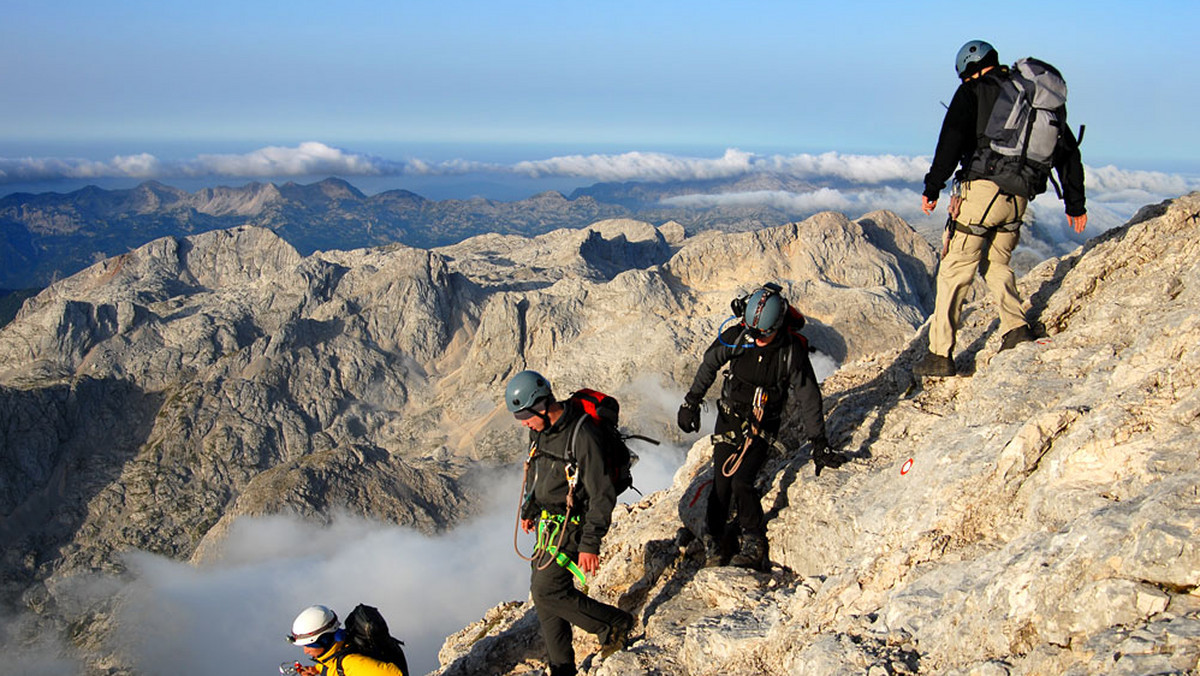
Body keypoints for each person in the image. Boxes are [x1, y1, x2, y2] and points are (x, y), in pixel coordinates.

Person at [915, 39, 1087, 378]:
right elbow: (1067, 151)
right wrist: (1075, 203)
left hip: (981, 193)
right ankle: (1015, 328)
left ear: (968, 69)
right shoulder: (1032, 98)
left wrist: (933, 186)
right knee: (997, 264)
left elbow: (950, 139)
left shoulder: (973, 92)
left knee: (955, 270)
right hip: (1019, 197)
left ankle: (939, 355)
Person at [676, 284, 833, 570]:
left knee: (741, 481)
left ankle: (753, 539)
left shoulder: (790, 353)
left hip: (762, 426)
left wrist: (818, 442)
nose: (757, 338)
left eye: (762, 333)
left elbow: (809, 396)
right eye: (753, 331)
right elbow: (709, 365)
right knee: (721, 485)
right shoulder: (739, 338)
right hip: (729, 419)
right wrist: (691, 402)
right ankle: (713, 537)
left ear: (777, 326)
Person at [507, 370, 635, 676]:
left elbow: (602, 495)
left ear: (542, 404)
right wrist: (529, 508)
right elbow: (538, 472)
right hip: (549, 523)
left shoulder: (583, 435)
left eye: (525, 415)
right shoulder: (539, 431)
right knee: (543, 592)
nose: (523, 422)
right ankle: (562, 667)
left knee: (547, 590)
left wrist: (590, 544)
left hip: (574, 523)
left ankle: (614, 624)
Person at [286, 605, 406, 676]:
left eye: (309, 645)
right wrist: (317, 670)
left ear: (323, 639)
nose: (306, 651)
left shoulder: (351, 663)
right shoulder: (337, 653)